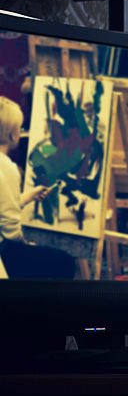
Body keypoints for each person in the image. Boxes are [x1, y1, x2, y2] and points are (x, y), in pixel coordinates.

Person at [0, 96, 75, 280]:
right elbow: (9, 227)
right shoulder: (6, 167)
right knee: (64, 263)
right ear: (12, 135)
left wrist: (27, 197)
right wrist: (25, 245)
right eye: (20, 128)